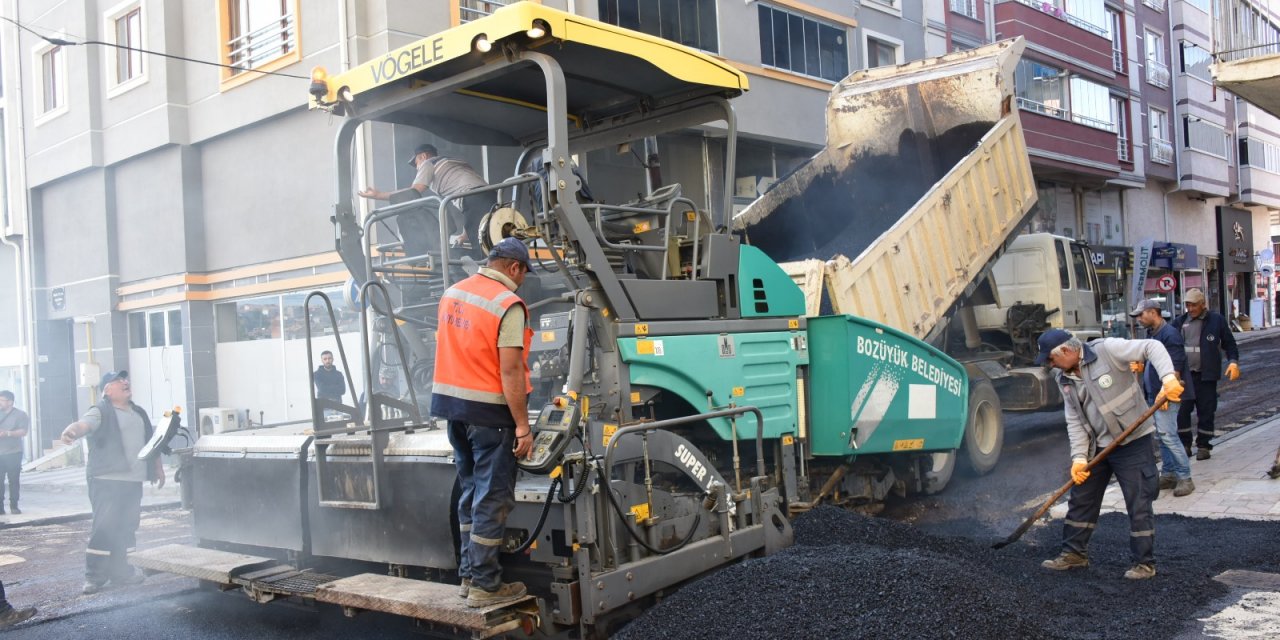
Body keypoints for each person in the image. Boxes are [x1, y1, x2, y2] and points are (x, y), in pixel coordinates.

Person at [431, 237, 535, 608]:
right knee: (492, 499)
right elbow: (509, 370)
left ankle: (467, 575)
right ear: (513, 267)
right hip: (490, 416)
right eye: (524, 273)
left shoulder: (452, 293)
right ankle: (485, 586)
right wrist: (523, 427)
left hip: (454, 411)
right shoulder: (508, 304)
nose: (523, 280)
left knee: (471, 493)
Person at [1035, 329, 1183, 580]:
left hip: (1133, 442)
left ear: (1067, 351)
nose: (1050, 365)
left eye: (1051, 359)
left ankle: (1143, 563)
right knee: (1082, 499)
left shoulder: (1107, 350)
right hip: (1098, 446)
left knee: (1138, 501)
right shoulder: (1064, 379)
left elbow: (1152, 347)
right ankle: (1074, 554)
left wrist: (1168, 378)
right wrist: (1080, 458)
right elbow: (1074, 420)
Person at [59, 371, 165, 595]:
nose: (126, 382)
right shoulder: (100, 411)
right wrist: (71, 432)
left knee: (127, 526)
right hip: (106, 479)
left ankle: (122, 572)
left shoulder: (139, 412)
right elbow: (83, 425)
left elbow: (152, 442)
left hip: (132, 480)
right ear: (107, 389)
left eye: (126, 379)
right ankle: (94, 577)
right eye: (119, 381)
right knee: (104, 527)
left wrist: (157, 468)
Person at [358, 143, 495, 259]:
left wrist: (379, 195)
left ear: (423, 157)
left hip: (473, 198)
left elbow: (415, 191)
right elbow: (472, 209)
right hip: (490, 196)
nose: (418, 168)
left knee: (482, 249)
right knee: (491, 239)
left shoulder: (429, 163)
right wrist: (464, 235)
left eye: (417, 164)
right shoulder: (454, 162)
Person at [1128, 299, 1194, 497]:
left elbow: (1176, 366)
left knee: (1169, 435)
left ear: (1152, 312)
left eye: (1141, 315)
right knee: (1162, 437)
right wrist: (1143, 364)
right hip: (1155, 392)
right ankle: (1168, 473)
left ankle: (1185, 477)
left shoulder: (1169, 334)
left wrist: (1166, 391)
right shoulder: (1152, 334)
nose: (1138, 319)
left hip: (1166, 394)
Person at [1172, 288, 1240, 460]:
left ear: (1203, 305)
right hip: (1184, 377)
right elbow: (1167, 344)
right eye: (1188, 305)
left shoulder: (1216, 321)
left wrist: (1233, 361)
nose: (1191, 308)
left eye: (1194, 305)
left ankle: (1204, 445)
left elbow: (1229, 344)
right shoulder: (1179, 322)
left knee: (1206, 411)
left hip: (1206, 376)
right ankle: (1185, 444)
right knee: (1181, 413)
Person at [0, 390, 30, 515]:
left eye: (1, 400)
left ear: (10, 402)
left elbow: (23, 432)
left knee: (13, 480)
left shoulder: (20, 415)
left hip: (14, 452)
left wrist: (7, 433)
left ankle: (14, 505)